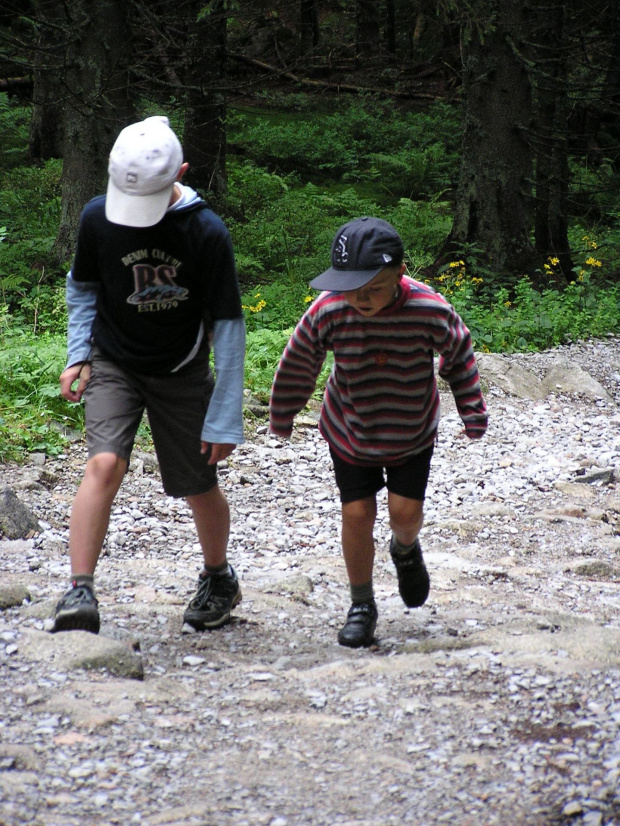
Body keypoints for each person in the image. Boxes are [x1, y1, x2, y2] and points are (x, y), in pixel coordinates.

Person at [52, 115, 245, 635]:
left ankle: (218, 575)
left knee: (196, 481)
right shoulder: (98, 218)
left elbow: (227, 325)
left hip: (181, 371)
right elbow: (84, 289)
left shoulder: (205, 231)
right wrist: (77, 354)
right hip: (113, 361)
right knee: (104, 464)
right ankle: (78, 590)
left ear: (181, 172)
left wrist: (224, 415)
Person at [269, 216, 488, 648]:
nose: (360, 298)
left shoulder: (430, 309)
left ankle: (405, 549)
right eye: (351, 288)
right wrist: (284, 413)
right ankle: (361, 603)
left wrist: (471, 412)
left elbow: (458, 354)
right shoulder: (329, 310)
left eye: (372, 288)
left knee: (403, 515)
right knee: (356, 513)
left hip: (411, 431)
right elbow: (300, 361)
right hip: (349, 428)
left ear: (400, 273)